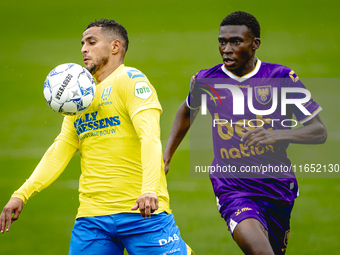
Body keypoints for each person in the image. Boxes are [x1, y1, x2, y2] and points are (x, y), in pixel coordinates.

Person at [0, 18, 194, 255]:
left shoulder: (131, 81)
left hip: (142, 211)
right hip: (92, 219)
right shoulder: (79, 98)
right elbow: (59, 149)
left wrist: (150, 189)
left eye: (91, 42)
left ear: (115, 47)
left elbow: (150, 136)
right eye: (82, 43)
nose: (83, 49)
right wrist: (22, 194)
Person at [163, 11, 327, 255]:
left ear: (255, 44)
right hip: (233, 188)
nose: (226, 48)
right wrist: (166, 157)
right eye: (222, 41)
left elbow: (318, 131)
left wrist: (277, 135)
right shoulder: (207, 80)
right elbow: (187, 111)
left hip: (277, 187)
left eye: (236, 41)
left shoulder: (281, 78)